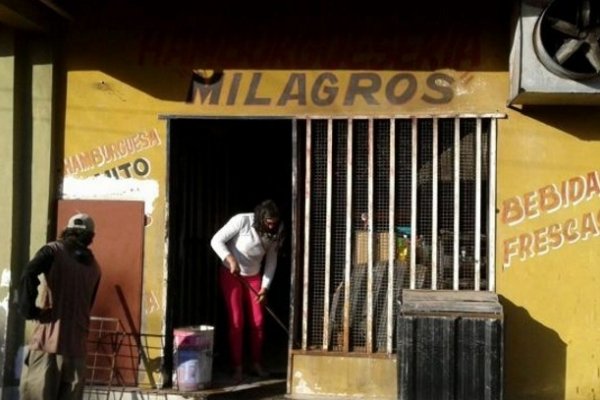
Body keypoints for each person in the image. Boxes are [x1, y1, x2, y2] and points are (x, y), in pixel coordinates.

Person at [18, 213, 102, 400]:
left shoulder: (53, 251)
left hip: (47, 345)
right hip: (77, 351)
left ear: (67, 231)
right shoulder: (95, 267)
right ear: (90, 237)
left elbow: (29, 272)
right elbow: (88, 305)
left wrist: (29, 309)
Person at [210, 199, 284, 383]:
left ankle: (256, 363)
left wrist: (265, 287)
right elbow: (216, 240)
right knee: (237, 322)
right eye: (268, 223)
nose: (271, 226)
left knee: (258, 321)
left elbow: (272, 261)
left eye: (274, 223)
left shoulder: (277, 231)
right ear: (260, 218)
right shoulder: (242, 221)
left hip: (254, 276)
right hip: (232, 275)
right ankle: (237, 367)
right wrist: (230, 259)